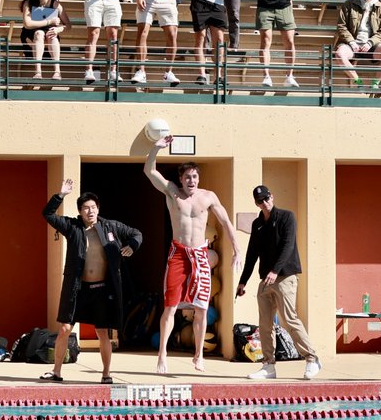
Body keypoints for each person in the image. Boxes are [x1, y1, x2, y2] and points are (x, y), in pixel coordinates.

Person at [143, 137, 242, 374]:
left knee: (201, 308)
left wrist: (238, 249)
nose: (191, 181)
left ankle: (199, 355)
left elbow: (226, 222)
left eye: (195, 177)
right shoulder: (172, 193)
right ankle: (162, 354)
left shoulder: (208, 197)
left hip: (200, 255)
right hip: (178, 254)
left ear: (199, 178)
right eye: (187, 177)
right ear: (181, 179)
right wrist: (156, 147)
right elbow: (149, 171)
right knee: (170, 306)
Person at [42, 178, 142, 383]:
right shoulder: (72, 227)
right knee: (64, 329)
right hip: (77, 288)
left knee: (102, 332)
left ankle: (106, 374)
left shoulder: (111, 227)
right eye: (86, 208)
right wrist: (60, 195)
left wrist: (132, 245)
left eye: (93, 207)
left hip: (102, 290)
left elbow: (136, 233)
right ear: (80, 211)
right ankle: (56, 372)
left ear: (98, 209)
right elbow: (48, 214)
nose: (90, 211)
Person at [239, 184, 321, 380]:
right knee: (265, 323)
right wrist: (243, 281)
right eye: (260, 201)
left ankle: (312, 359)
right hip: (266, 280)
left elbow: (288, 245)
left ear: (272, 196)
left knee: (289, 318)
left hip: (285, 276)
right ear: (256, 204)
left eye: (266, 198)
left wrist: (275, 271)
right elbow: (252, 254)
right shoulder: (257, 224)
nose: (264, 203)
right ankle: (268, 366)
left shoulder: (286, 217)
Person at [20, 0, 70, 81]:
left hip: (49, 33)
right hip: (31, 33)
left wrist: (58, 29)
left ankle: (57, 72)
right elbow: (27, 24)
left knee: (52, 36)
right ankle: (38, 72)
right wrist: (49, 21)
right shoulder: (28, 3)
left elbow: (68, 25)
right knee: (39, 33)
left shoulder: (55, 4)